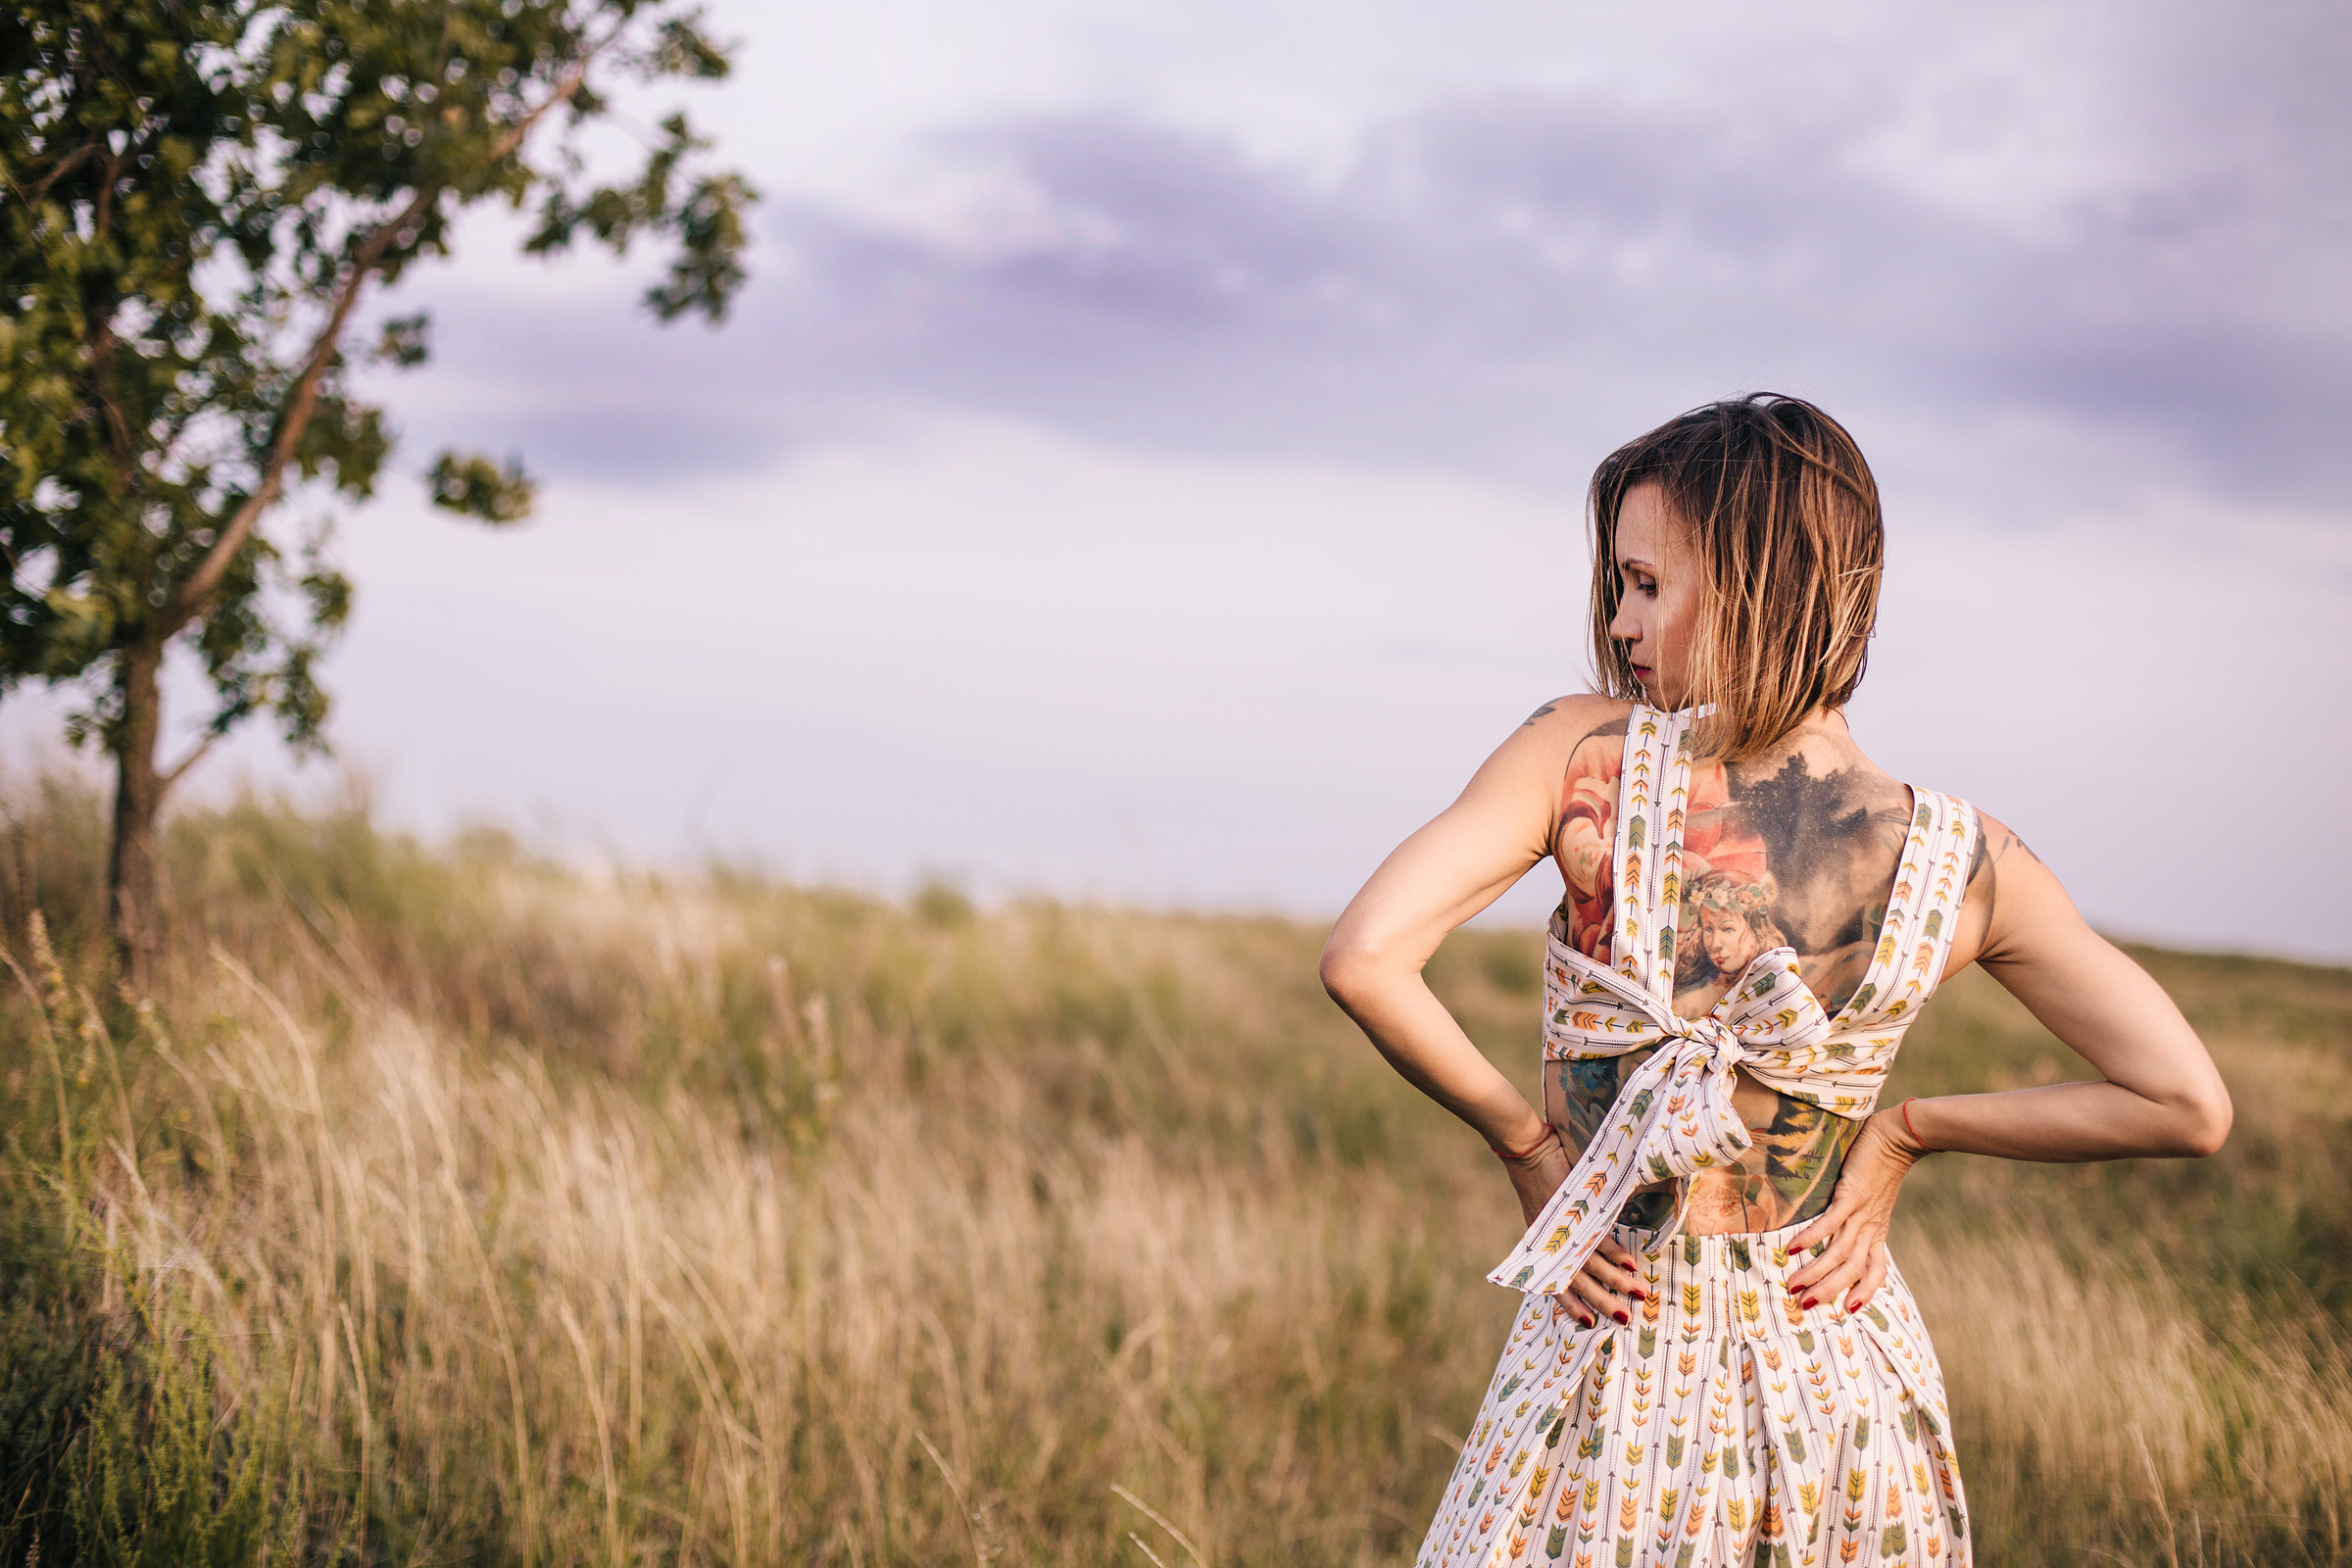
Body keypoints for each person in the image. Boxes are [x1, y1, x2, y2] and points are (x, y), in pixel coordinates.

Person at [1318, 395, 2231, 1568]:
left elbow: (1365, 957)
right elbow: (2185, 1102)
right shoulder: (1964, 857)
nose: (1619, 620)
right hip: (1833, 1383)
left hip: (1613, 1360)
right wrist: (1906, 1131)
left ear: (1755, 581)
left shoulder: (1579, 755)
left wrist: (1529, 1151)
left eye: (1647, 583)